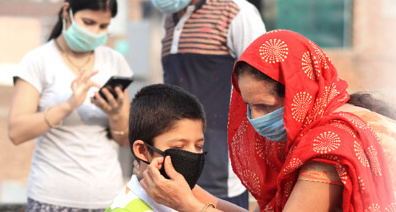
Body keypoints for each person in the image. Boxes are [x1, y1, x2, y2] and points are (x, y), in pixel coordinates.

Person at [139, 30, 396, 211]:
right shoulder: (336, 112)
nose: (255, 119)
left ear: (299, 95)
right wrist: (188, 193)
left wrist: (186, 205)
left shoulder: (328, 145)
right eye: (249, 106)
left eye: (265, 106)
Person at [8, 0, 133, 211]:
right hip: (50, 199)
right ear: (67, 11)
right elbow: (16, 131)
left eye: (103, 26)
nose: (95, 32)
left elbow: (124, 139)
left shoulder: (115, 61)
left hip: (108, 199)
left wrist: (115, 114)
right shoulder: (38, 60)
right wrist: (68, 105)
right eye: (88, 22)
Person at [149, 0, 266, 208]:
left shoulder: (236, 12)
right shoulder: (169, 19)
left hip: (220, 171)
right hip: (174, 169)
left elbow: (262, 88)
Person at [106, 84, 208, 211]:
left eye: (199, 146)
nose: (193, 154)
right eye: (179, 147)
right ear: (142, 150)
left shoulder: (188, 199)